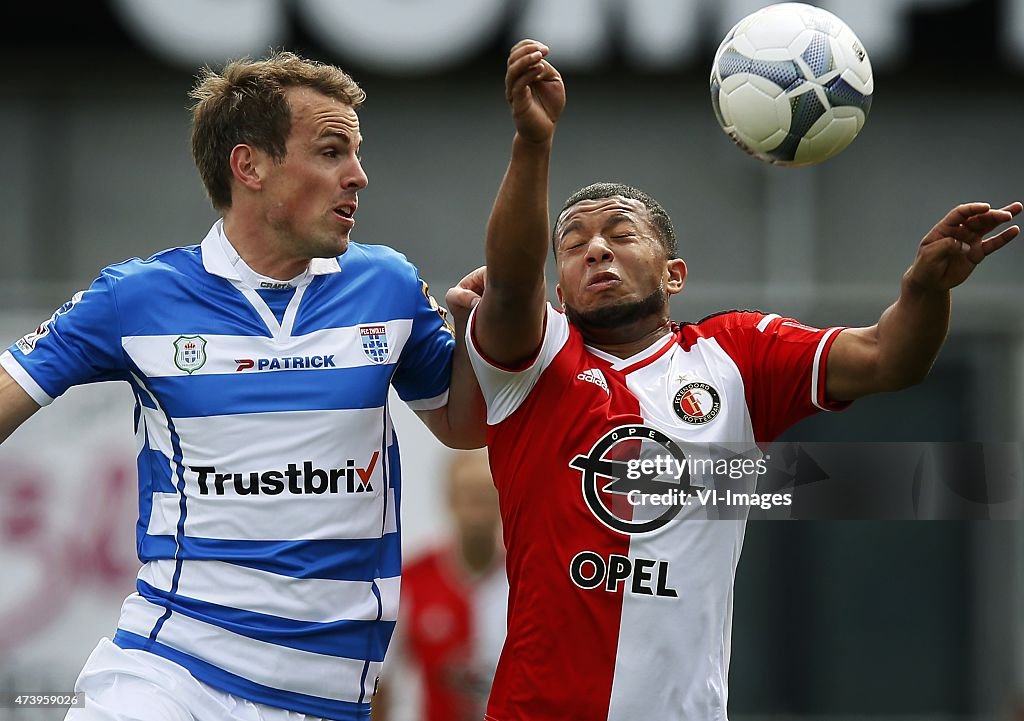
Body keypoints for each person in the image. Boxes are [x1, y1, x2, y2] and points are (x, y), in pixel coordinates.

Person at [461, 39, 1022, 720]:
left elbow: (888, 358)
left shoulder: (733, 355)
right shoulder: (535, 362)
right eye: (574, 243)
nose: (596, 248)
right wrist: (532, 141)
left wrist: (925, 288)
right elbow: (513, 279)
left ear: (675, 274)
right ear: (558, 283)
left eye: (619, 233)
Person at [0, 51, 484, 721]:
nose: (359, 176)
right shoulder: (136, 298)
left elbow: (466, 425)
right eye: (331, 150)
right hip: (170, 670)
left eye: (355, 152)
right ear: (249, 165)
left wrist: (483, 339)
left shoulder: (389, 286)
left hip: (325, 695)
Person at [372, 449, 507, 721]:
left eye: (486, 494)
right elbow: (380, 683)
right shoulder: (411, 581)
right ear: (450, 499)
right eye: (469, 494)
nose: (477, 507)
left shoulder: (525, 582)